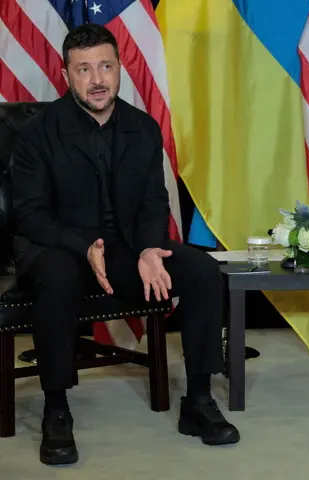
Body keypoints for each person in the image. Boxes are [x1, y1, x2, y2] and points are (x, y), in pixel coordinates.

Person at [11, 24, 239, 466]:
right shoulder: (40, 133)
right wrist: (83, 245)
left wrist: (150, 249)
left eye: (106, 66)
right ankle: (56, 410)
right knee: (56, 278)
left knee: (202, 271)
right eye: (84, 69)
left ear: (119, 68)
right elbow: (30, 214)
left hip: (125, 250)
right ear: (66, 75)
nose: (97, 79)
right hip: (59, 248)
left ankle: (198, 400)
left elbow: (154, 201)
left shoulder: (143, 128)